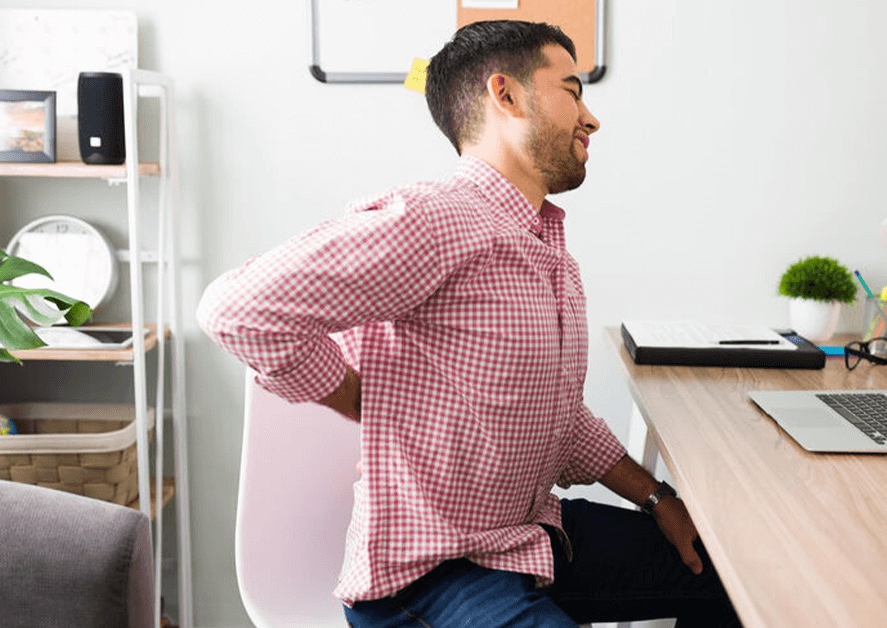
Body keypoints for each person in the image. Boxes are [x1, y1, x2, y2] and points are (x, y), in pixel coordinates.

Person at [198, 20, 738, 627]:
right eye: (573, 89)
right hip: (433, 575)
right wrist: (361, 398)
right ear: (505, 95)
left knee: (731, 573)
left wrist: (658, 498)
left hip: (528, 536)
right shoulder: (434, 221)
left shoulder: (546, 250)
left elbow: (559, 419)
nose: (591, 118)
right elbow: (237, 310)